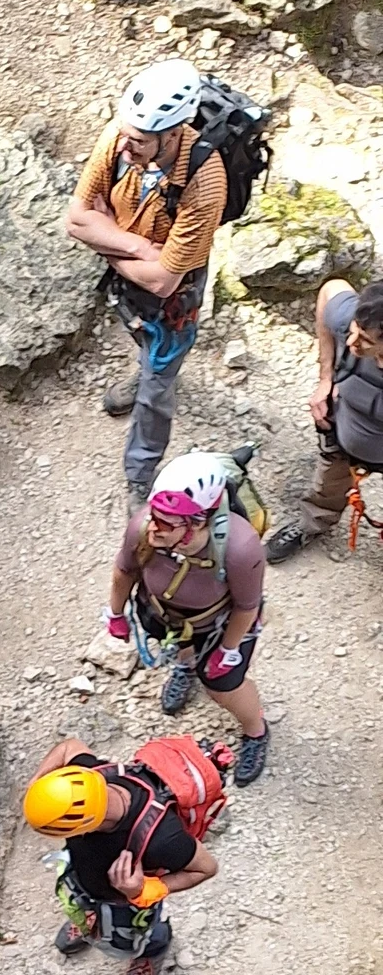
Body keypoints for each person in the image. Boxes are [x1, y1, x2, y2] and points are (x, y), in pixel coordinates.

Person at [65, 62, 229, 502]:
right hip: (136, 267)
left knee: (159, 384)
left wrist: (105, 238)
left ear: (173, 134)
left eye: (138, 141)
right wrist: (135, 249)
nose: (123, 146)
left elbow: (163, 282)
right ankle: (144, 376)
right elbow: (76, 219)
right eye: (125, 133)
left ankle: (141, 469)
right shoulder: (123, 138)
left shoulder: (205, 182)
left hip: (175, 297)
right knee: (141, 342)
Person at [102, 452, 270, 779]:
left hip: (220, 624)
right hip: (166, 616)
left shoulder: (240, 547)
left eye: (166, 521)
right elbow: (125, 569)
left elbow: (247, 606)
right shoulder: (143, 528)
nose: (153, 527)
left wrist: (228, 649)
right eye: (154, 514)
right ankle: (186, 665)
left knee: (223, 685)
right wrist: (115, 612)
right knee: (182, 646)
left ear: (197, 523)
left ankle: (256, 730)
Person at [22, 749, 221, 975]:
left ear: (86, 826)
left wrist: (144, 890)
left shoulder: (163, 839)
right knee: (82, 898)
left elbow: (206, 868)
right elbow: (68, 747)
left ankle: (153, 949)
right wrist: (37, 784)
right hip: (85, 875)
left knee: (143, 927)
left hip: (128, 900)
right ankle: (90, 917)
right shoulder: (90, 776)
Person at [267, 276, 383, 560]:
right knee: (327, 485)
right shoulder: (357, 319)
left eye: (366, 340)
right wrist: (325, 377)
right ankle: (312, 524)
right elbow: (330, 290)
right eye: (354, 330)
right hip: (342, 434)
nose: (352, 342)